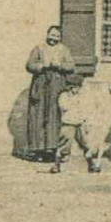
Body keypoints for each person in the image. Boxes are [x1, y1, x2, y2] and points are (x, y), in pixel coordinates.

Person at [20, 26, 75, 162]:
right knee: (38, 115)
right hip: (40, 85)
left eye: (56, 36)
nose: (53, 38)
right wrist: (41, 66)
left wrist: (60, 66)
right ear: (47, 34)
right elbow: (29, 65)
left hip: (57, 86)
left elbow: (71, 66)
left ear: (60, 37)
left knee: (54, 116)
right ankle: (37, 149)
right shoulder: (38, 48)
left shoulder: (64, 50)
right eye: (52, 35)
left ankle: (52, 149)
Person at [52, 77, 104, 174]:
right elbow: (64, 107)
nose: (78, 90)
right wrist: (73, 100)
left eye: (79, 88)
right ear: (71, 87)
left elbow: (85, 108)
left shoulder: (81, 96)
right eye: (76, 88)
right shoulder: (64, 96)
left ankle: (91, 164)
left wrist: (85, 119)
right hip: (68, 123)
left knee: (85, 144)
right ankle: (57, 165)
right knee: (64, 145)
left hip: (79, 123)